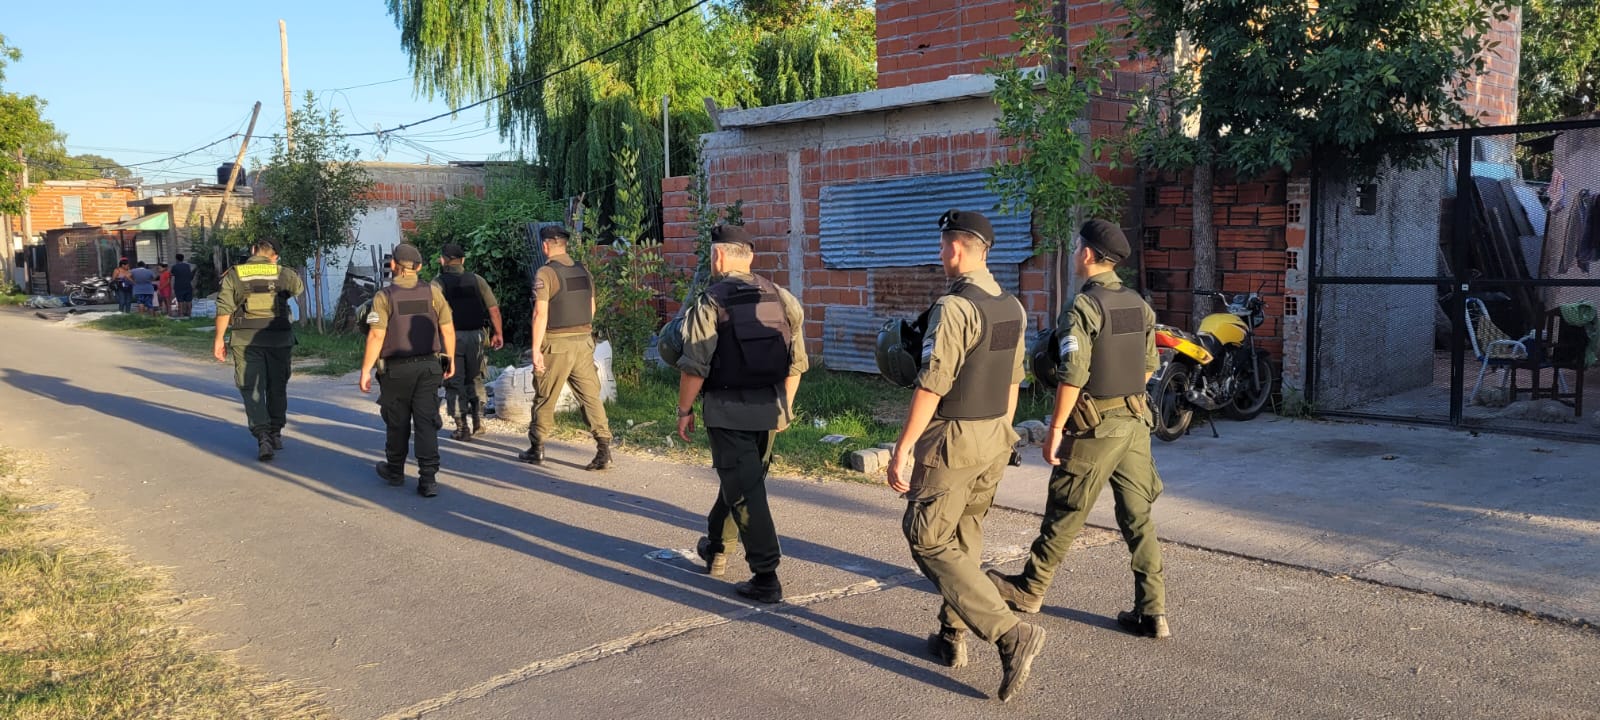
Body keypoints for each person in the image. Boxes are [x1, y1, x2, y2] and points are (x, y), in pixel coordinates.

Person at [986, 219, 1171, 640]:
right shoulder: (1138, 304)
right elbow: (1146, 368)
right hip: (1135, 422)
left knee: (1065, 509)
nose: (1074, 255)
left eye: (1076, 248)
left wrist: (1056, 427)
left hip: (1096, 425)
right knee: (1138, 517)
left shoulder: (1084, 307)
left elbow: (1073, 372)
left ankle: (1030, 589)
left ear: (1087, 254)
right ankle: (1153, 610)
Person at [886, 209, 1043, 703]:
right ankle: (952, 636)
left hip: (953, 438)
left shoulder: (953, 309)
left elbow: (933, 383)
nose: (940, 255)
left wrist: (904, 447)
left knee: (927, 536)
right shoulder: (1012, 307)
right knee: (964, 534)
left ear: (957, 247)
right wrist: (1004, 433)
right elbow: (1015, 379)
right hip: (995, 435)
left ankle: (1009, 633)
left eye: (943, 245)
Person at [675, 224, 806, 603]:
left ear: (717, 257)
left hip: (727, 411)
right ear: (749, 259)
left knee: (745, 490)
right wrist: (786, 409)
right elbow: (796, 364)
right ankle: (716, 547)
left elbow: (694, 366)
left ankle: (766, 575)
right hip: (769, 409)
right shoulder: (781, 297)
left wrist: (684, 410)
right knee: (740, 481)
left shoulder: (711, 300)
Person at [360, 243, 456, 498]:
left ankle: (395, 471)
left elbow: (376, 335)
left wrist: (365, 370)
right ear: (420, 267)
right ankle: (428, 479)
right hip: (429, 366)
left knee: (397, 422)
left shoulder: (384, 296)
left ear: (393, 265)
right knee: (426, 422)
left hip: (396, 370)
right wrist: (451, 359)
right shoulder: (433, 292)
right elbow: (447, 328)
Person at [517, 225, 612, 471]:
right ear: (565, 244)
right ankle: (604, 450)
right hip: (583, 342)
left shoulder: (546, 273)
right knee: (590, 396)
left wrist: (536, 349)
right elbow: (592, 308)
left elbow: (540, 313)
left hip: (556, 344)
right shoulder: (583, 271)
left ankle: (537, 448)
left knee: (545, 396)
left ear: (545, 245)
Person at [213, 238, 305, 461]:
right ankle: (276, 432)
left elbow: (225, 309)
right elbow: (297, 289)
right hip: (279, 339)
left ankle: (262, 434)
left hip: (245, 340)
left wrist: (219, 340)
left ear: (253, 250)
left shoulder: (235, 274)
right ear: (275, 256)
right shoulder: (284, 274)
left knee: (251, 388)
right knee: (277, 386)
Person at [433, 242, 504, 441]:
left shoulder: (437, 284)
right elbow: (494, 310)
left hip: (449, 339)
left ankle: (461, 426)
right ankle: (478, 422)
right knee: (475, 376)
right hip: (477, 336)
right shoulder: (477, 280)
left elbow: (431, 313)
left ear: (442, 260)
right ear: (463, 260)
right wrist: (498, 333)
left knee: (452, 379)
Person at [171, 253, 195, 318]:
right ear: (183, 258)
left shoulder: (174, 267)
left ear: (176, 259)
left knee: (180, 301)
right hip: (187, 285)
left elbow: (172, 275)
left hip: (178, 286)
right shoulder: (187, 266)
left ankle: (181, 314)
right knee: (189, 300)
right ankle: (189, 314)